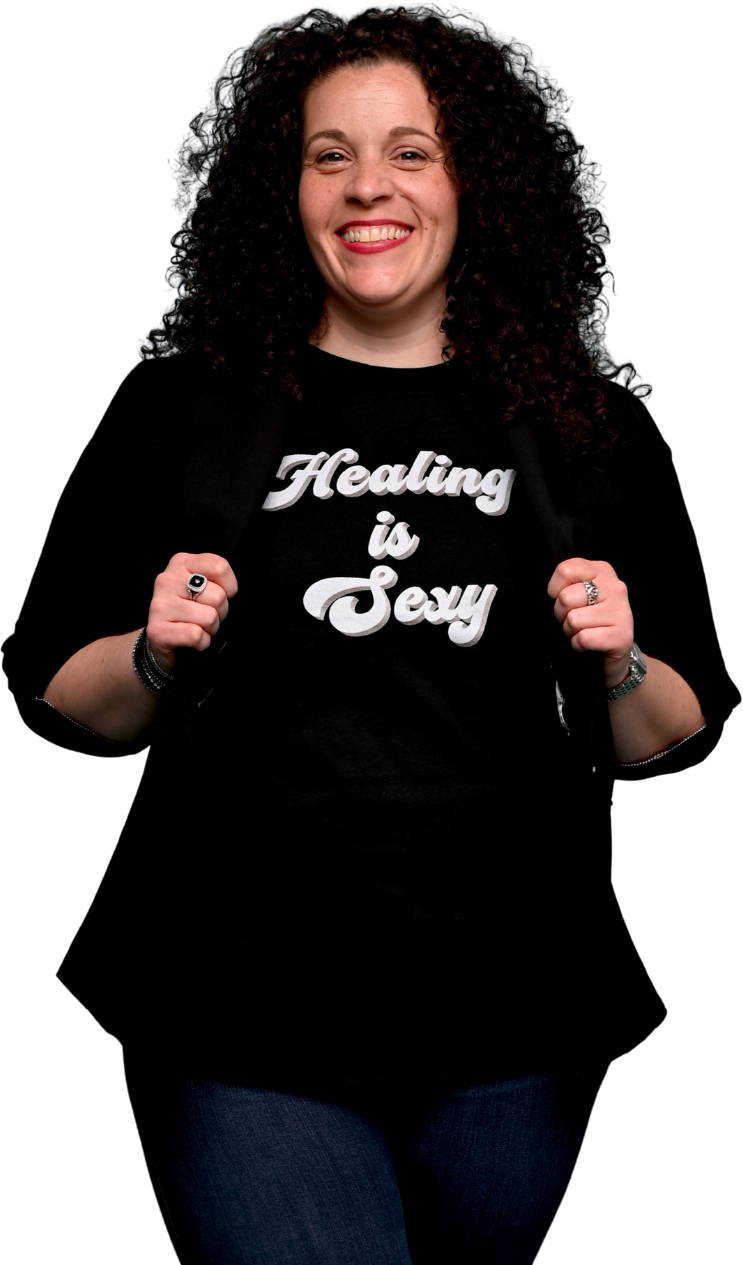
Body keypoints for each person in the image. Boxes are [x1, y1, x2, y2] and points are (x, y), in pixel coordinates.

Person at [3, 7, 740, 1263]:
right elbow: (61, 696)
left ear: (473, 183)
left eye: (410, 151)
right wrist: (151, 651)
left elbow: (670, 728)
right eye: (326, 153)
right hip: (237, 1003)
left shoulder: (584, 424)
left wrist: (616, 658)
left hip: (509, 1012)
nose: (366, 188)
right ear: (281, 190)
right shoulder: (183, 408)